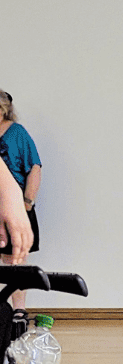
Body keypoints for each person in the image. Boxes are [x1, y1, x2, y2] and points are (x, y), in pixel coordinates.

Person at [0, 88, 38, 315]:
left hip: (12, 208)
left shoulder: (17, 133)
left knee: (14, 261)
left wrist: (26, 203)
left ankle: (19, 311)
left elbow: (34, 167)